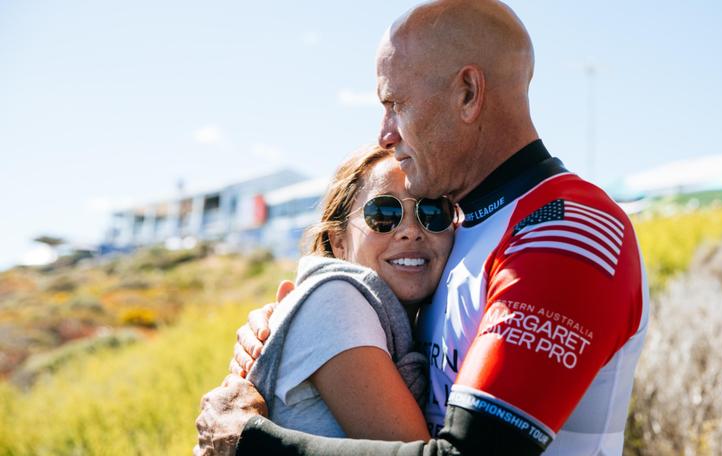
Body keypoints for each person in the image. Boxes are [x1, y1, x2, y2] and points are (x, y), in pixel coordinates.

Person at [196, 0, 649, 455]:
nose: (384, 134)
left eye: (395, 104)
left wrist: (250, 444)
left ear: (468, 93)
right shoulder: (462, 229)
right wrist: (286, 322)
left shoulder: (567, 227)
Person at [193, 146, 454, 453]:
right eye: (384, 214)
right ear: (339, 242)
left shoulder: (390, 320)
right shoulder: (336, 300)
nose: (411, 231)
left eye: (432, 212)